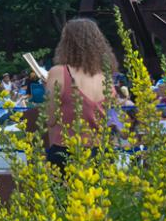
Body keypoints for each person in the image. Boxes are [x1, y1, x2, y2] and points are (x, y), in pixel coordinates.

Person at [43, 18, 116, 169]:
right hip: (101, 153)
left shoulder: (59, 72)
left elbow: (50, 119)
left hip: (66, 154)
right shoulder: (106, 76)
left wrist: (48, 90)